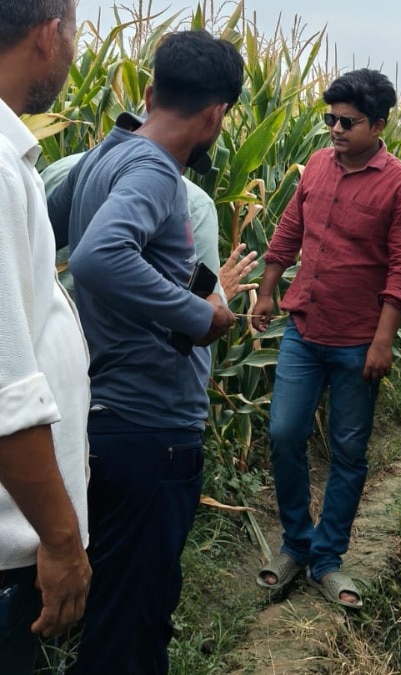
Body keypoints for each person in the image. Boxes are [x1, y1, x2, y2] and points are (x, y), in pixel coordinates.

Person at [46, 29, 242, 674]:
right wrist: (201, 316)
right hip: (150, 426)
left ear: (152, 93)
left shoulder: (107, 155)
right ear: (216, 115)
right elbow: (98, 257)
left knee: (115, 613)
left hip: (105, 414)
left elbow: (43, 233)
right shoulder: (155, 170)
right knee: (130, 630)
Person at [250, 68, 401, 609]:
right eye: (330, 118)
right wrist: (266, 291)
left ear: (378, 125)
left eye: (347, 122)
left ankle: (327, 558)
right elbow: (289, 230)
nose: (334, 129)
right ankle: (295, 544)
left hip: (358, 340)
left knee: (349, 451)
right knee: (285, 433)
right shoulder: (318, 167)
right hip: (304, 328)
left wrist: (383, 342)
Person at [0, 1, 91, 672]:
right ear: (48, 35)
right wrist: (61, 539)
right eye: (74, 31)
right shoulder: (1, 171)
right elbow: (5, 388)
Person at [43, 110, 259, 301]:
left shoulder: (62, 168)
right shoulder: (196, 203)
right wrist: (219, 295)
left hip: (39, 320)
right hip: (109, 333)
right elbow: (199, 310)